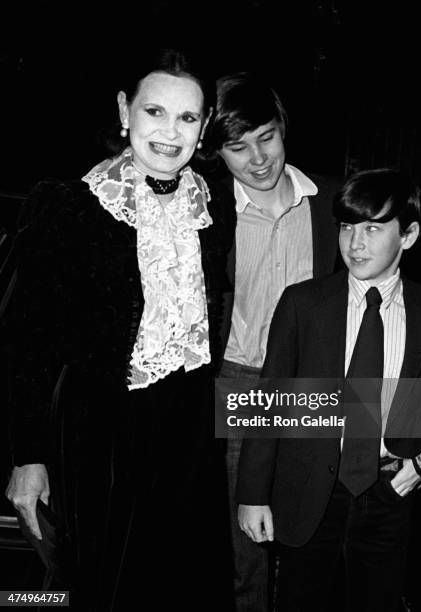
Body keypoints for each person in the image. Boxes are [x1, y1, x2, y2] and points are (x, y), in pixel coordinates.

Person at [5, 48, 235, 610]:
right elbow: (24, 344)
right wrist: (27, 457)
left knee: (179, 583)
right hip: (96, 434)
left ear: (203, 128)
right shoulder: (65, 207)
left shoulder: (214, 208)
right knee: (92, 586)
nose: (170, 131)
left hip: (186, 432)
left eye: (187, 118)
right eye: (155, 111)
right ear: (124, 110)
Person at [236, 168, 421, 611]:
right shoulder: (303, 303)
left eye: (373, 228)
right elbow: (268, 403)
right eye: (347, 226)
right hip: (307, 491)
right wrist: (252, 495)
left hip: (390, 494)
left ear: (410, 235)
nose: (354, 243)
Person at [205, 72, 340, 612]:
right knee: (247, 539)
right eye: (237, 147)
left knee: (317, 525)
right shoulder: (209, 215)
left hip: (317, 385)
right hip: (242, 383)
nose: (258, 159)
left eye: (266, 137)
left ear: (283, 128)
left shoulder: (332, 203)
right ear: (217, 153)